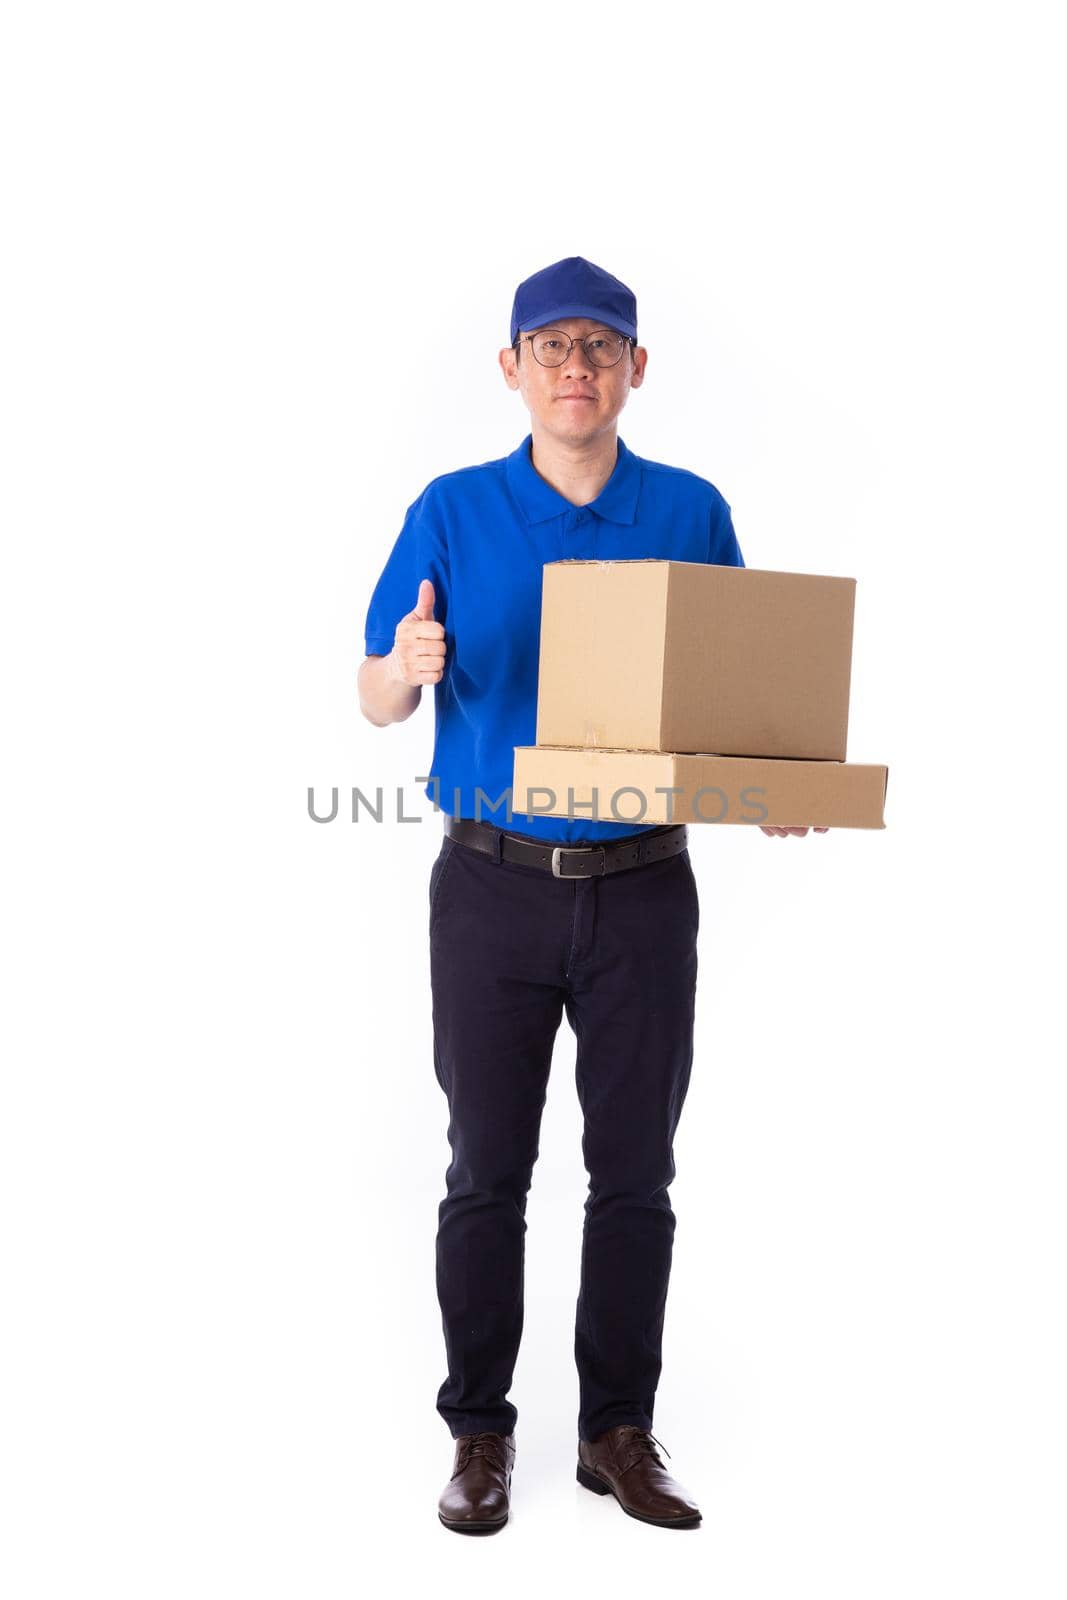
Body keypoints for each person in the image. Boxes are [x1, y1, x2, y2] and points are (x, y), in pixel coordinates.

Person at [358, 256, 827, 1535]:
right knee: (483, 1171)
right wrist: (402, 669)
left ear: (633, 369)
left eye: (599, 347)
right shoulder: (452, 508)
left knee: (633, 1172)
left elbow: (737, 700)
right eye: (550, 347)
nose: (575, 368)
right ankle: (477, 1436)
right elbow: (372, 693)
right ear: (511, 369)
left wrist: (768, 779)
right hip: (489, 889)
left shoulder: (689, 508)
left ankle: (616, 1430)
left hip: (641, 892)